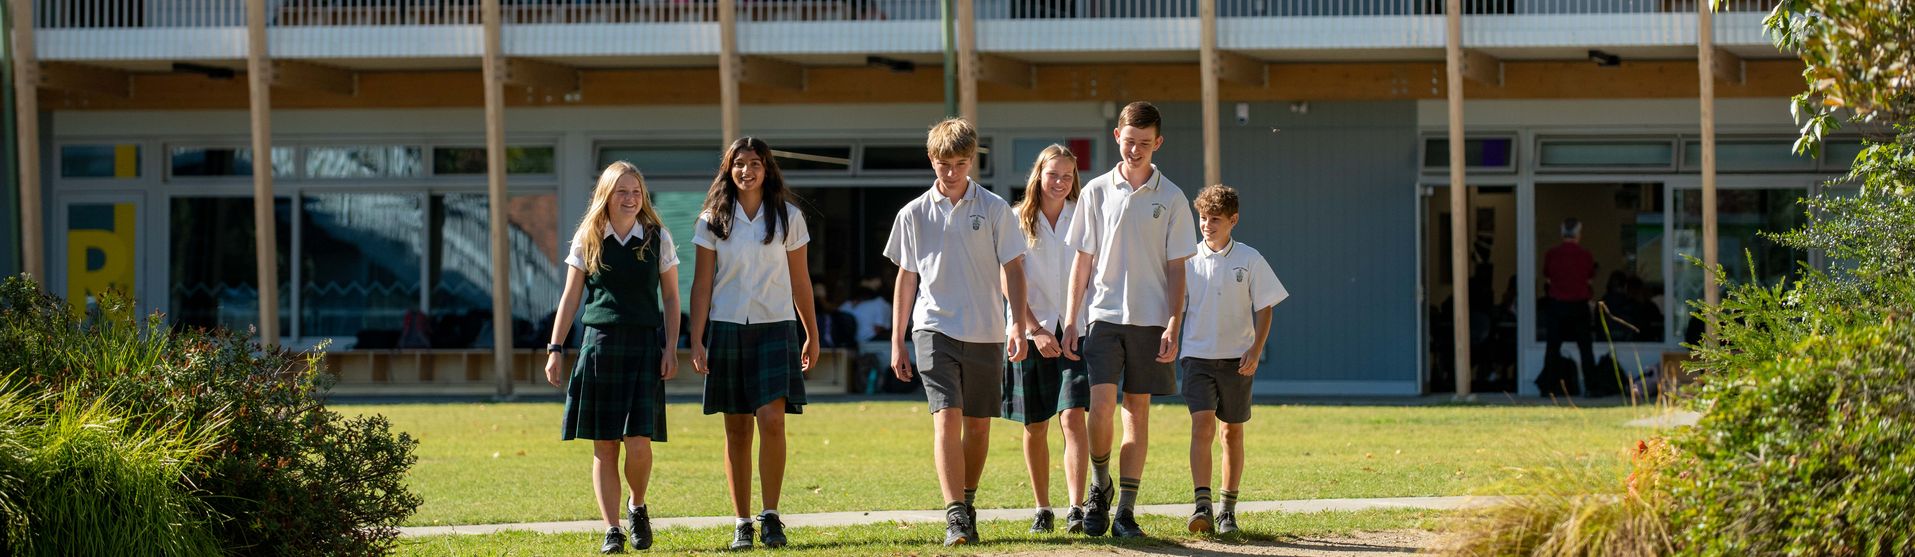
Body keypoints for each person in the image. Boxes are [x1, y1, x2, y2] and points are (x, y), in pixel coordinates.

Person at [884, 117, 1045, 546]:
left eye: (959, 163)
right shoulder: (913, 213)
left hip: (986, 331)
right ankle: (955, 515)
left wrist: (1015, 323)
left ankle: (968, 501)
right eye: (943, 163)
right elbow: (906, 277)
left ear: (971, 160)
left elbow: (1014, 269)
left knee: (977, 427)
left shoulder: (994, 209)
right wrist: (897, 339)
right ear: (931, 161)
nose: (951, 172)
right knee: (946, 419)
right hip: (933, 328)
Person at [1061, 101, 1198, 538]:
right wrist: (1070, 320)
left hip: (1152, 322)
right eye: (1128, 141)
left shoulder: (1173, 197)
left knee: (1137, 413)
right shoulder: (1097, 191)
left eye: (1144, 143)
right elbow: (1081, 262)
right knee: (1099, 409)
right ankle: (1099, 487)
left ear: (1157, 143)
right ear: (1116, 137)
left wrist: (1174, 322)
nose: (1135, 150)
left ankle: (1125, 512)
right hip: (1102, 317)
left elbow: (1178, 267)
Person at [688, 137, 821, 550]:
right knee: (737, 430)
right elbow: (702, 284)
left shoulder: (789, 217)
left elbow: (801, 282)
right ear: (728, 170)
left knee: (773, 421)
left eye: (755, 163)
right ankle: (742, 521)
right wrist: (695, 338)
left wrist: (811, 334)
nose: (747, 171)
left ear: (768, 169)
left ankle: (771, 516)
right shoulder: (711, 219)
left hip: (776, 326)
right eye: (739, 164)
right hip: (726, 328)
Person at [543, 161, 681, 554]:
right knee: (605, 444)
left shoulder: (657, 237)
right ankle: (612, 529)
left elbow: (671, 297)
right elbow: (571, 298)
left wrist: (670, 347)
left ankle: (637, 506)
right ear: (606, 194)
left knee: (638, 441)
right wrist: (556, 349)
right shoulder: (588, 236)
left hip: (643, 346)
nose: (630, 198)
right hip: (599, 345)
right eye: (622, 191)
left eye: (636, 191)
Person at [1179, 184, 1287, 535]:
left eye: (1215, 219)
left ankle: (1227, 510)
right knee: (1202, 426)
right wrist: (1168, 335)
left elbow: (1266, 307)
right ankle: (1202, 505)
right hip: (1196, 357)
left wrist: (1255, 350)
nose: (1207, 225)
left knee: (1232, 433)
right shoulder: (1187, 259)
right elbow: (1176, 308)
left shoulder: (1250, 259)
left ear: (1233, 221)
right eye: (1203, 218)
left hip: (1237, 361)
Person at [1001, 144, 1093, 534]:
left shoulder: (1083, 219)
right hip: (1029, 332)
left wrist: (1068, 323)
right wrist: (1034, 329)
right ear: (1038, 174)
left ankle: (1076, 507)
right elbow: (1007, 280)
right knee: (1036, 425)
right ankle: (1042, 508)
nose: (1060, 182)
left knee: (1073, 418)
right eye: (1053, 174)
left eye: (1068, 176)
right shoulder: (1015, 219)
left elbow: (1090, 273)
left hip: (1076, 329)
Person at [1541, 217, 1600, 396]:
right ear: (1578, 234)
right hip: (1578, 305)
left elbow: (1548, 278)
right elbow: (1589, 278)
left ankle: (1548, 387)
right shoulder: (1585, 255)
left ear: (1562, 233)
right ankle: (1591, 386)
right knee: (1585, 348)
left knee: (1552, 347)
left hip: (1557, 305)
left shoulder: (1552, 254)